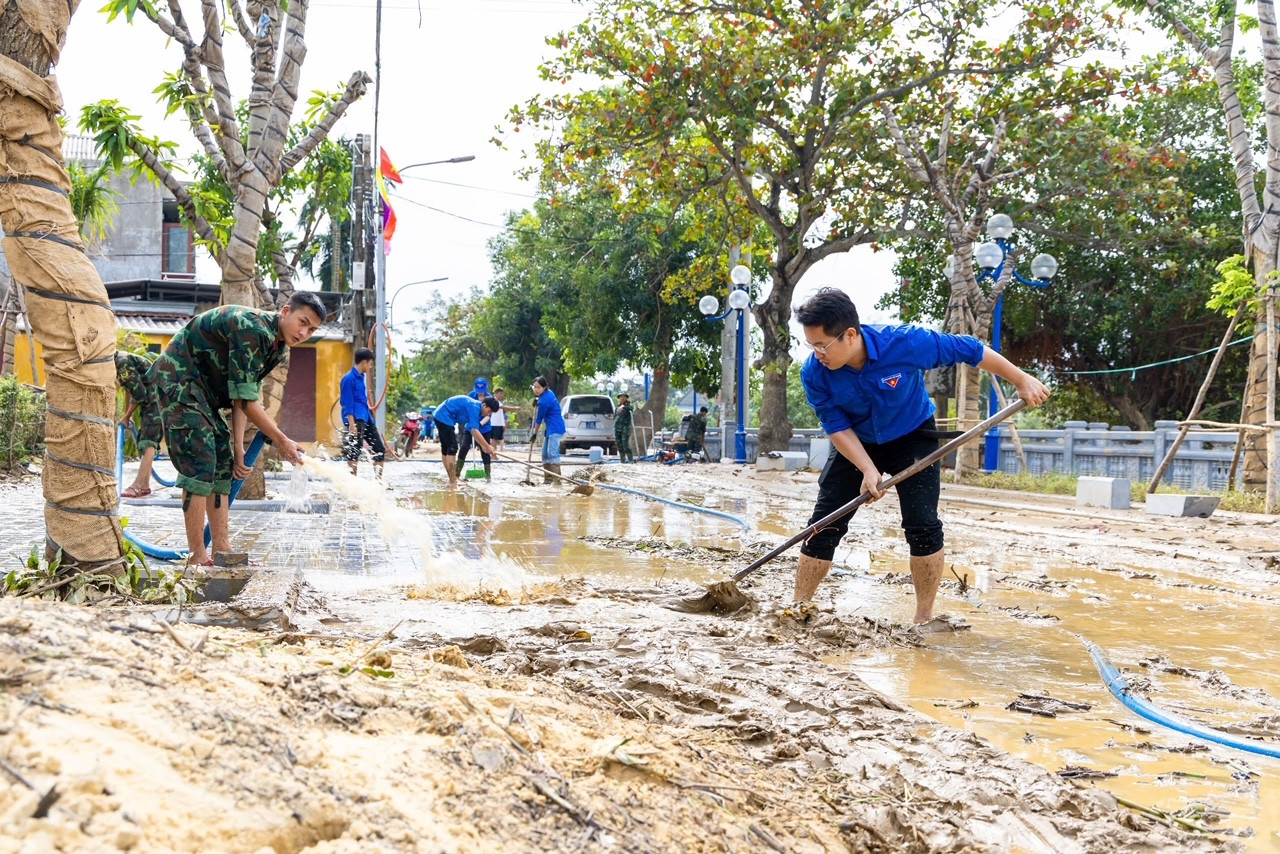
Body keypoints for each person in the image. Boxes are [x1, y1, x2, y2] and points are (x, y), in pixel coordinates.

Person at [793, 287, 1050, 626]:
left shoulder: (906, 343)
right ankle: (797, 607)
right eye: (811, 345)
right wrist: (868, 470)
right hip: (856, 441)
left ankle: (924, 618)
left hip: (912, 436)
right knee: (825, 522)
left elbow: (970, 350)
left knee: (923, 525)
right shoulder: (814, 372)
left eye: (822, 345)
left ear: (850, 335)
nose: (817, 354)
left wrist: (1021, 379)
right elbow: (836, 425)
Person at [150, 291, 326, 566]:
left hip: (205, 393)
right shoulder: (253, 329)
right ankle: (197, 557)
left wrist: (238, 448)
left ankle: (222, 549)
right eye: (302, 322)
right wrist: (281, 440)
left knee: (222, 460)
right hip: (178, 379)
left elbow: (245, 395)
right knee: (200, 462)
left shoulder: (276, 347)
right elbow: (245, 399)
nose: (304, 332)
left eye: (312, 329)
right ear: (285, 312)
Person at [115, 350, 164, 498]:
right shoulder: (121, 360)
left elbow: (139, 393)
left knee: (148, 442)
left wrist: (127, 415)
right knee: (146, 441)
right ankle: (145, 486)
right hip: (154, 398)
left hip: (158, 400)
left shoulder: (122, 363)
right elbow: (130, 388)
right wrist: (126, 416)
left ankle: (137, 485)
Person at [433, 394, 500, 486]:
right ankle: (453, 480)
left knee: (446, 448)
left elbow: (474, 431)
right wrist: (487, 446)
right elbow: (474, 431)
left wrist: (484, 446)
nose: (488, 414)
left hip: (439, 414)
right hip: (444, 416)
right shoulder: (475, 407)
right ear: (484, 405)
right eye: (489, 411)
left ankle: (452, 478)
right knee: (452, 447)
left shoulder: (475, 407)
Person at [340, 347, 385, 479]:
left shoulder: (361, 378)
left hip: (366, 418)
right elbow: (347, 402)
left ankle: (379, 482)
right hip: (355, 419)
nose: (370, 367)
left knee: (379, 449)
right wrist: (351, 424)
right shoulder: (349, 379)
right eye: (370, 364)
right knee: (355, 451)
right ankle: (352, 482)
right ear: (364, 362)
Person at [529, 376, 566, 484]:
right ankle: (548, 479)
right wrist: (537, 399)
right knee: (545, 454)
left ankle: (557, 481)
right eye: (534, 387)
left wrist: (534, 434)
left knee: (552, 453)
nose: (536, 389)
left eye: (539, 387)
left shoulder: (544, 401)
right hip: (550, 428)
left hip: (556, 428)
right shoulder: (548, 393)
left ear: (544, 387)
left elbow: (539, 420)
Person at [488, 387, 510, 454]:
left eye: (502, 394)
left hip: (498, 424)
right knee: (494, 440)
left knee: (496, 440)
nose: (501, 395)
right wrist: (515, 408)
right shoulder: (495, 401)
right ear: (496, 394)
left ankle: (494, 454)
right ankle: (493, 454)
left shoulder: (498, 402)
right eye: (500, 393)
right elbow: (504, 408)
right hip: (495, 424)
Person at [614, 392, 634, 463]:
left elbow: (631, 408)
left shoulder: (628, 406)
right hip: (617, 428)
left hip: (624, 429)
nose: (622, 398)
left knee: (625, 445)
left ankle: (630, 460)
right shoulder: (617, 407)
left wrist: (623, 407)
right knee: (619, 445)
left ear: (626, 398)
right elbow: (615, 416)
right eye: (621, 397)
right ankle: (622, 461)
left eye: (624, 397)